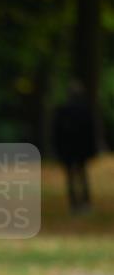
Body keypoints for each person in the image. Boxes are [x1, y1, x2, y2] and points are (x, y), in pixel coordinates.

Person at [51, 80, 97, 214]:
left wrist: (57, 150)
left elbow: (56, 133)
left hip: (68, 150)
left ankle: (75, 204)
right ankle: (84, 202)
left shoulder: (62, 111)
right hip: (79, 150)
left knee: (72, 177)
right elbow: (91, 133)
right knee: (81, 175)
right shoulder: (85, 110)